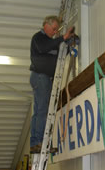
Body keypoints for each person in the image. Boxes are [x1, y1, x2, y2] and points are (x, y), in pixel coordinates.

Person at [29, 15, 75, 153]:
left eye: (57, 30)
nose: (55, 32)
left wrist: (69, 45)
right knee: (42, 111)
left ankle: (38, 143)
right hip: (40, 77)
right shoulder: (38, 38)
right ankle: (38, 143)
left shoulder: (51, 42)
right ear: (46, 25)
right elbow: (44, 48)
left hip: (45, 79)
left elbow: (57, 56)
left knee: (40, 111)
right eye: (54, 29)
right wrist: (63, 38)